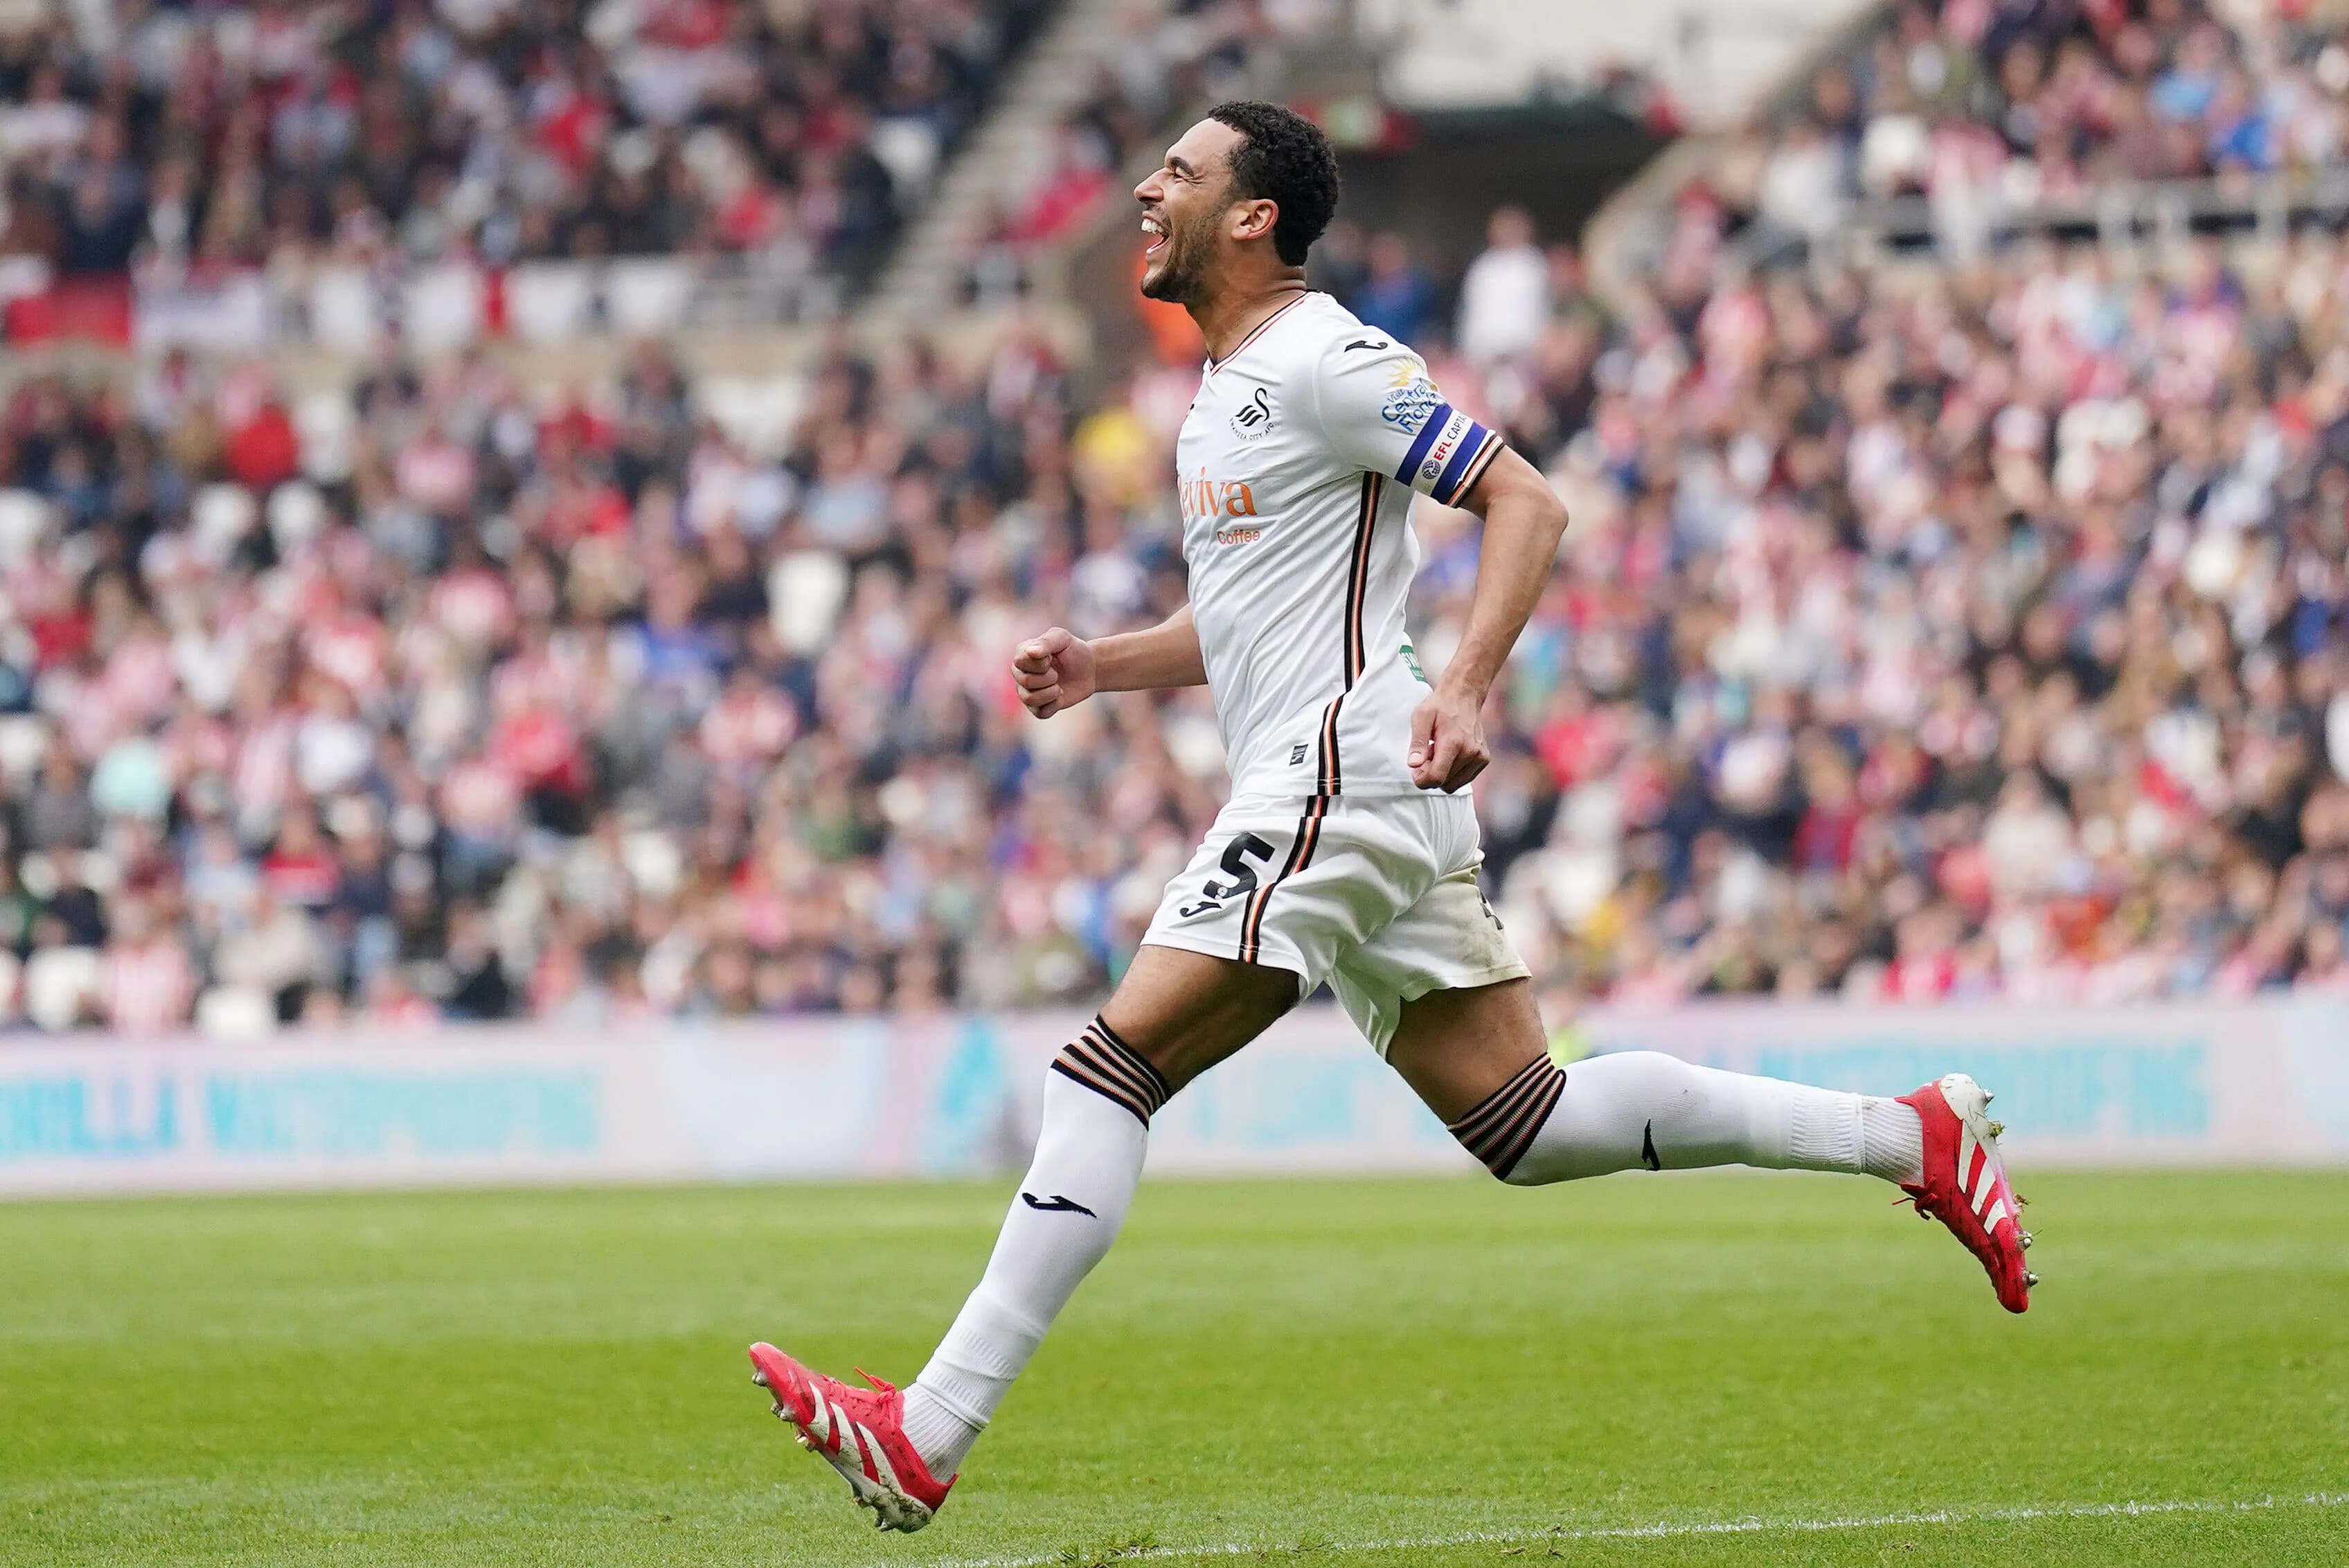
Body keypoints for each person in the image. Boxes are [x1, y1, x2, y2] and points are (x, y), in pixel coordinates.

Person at [744, 102, 2036, 1533]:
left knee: (1108, 1070)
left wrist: (1471, 687)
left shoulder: (1325, 357)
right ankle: (1904, 1134)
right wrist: (1108, 665)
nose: (1141, 188)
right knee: (1527, 1117)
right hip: (1350, 785)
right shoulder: (1230, 382)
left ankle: (927, 1430)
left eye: (1177, 170)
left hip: (1338, 774)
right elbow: (1255, 620)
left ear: (1251, 215)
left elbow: (1526, 504)